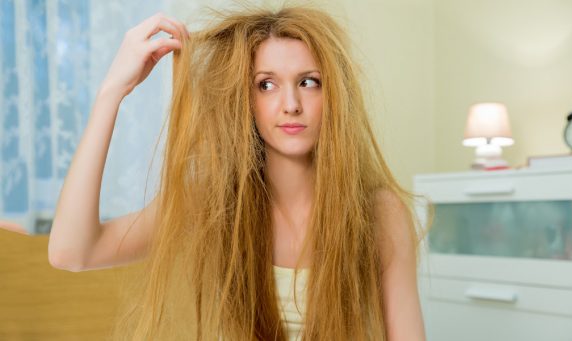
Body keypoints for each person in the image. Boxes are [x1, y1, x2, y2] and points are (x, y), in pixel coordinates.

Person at [33, 5, 427, 341]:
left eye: (309, 82)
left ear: (333, 95)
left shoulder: (378, 212)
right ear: (244, 99)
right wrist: (111, 93)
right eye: (267, 85)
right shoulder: (211, 202)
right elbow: (72, 252)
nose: (291, 104)